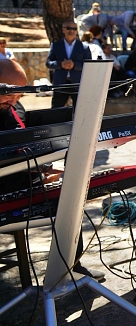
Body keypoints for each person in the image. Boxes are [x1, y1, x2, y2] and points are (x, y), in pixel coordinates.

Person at [0, 59, 105, 280]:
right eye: (9, 92)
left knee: (70, 195)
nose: (14, 100)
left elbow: (24, 146)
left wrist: (45, 167)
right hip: (4, 187)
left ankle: (72, 266)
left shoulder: (13, 108)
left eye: (19, 94)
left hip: (24, 178)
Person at [46, 20, 93, 108]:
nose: (71, 31)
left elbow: (88, 65)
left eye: (74, 29)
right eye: (68, 28)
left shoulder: (84, 47)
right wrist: (60, 64)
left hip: (77, 84)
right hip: (60, 83)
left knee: (80, 110)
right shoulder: (56, 45)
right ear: (63, 30)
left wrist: (74, 65)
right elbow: (48, 63)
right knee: (56, 110)